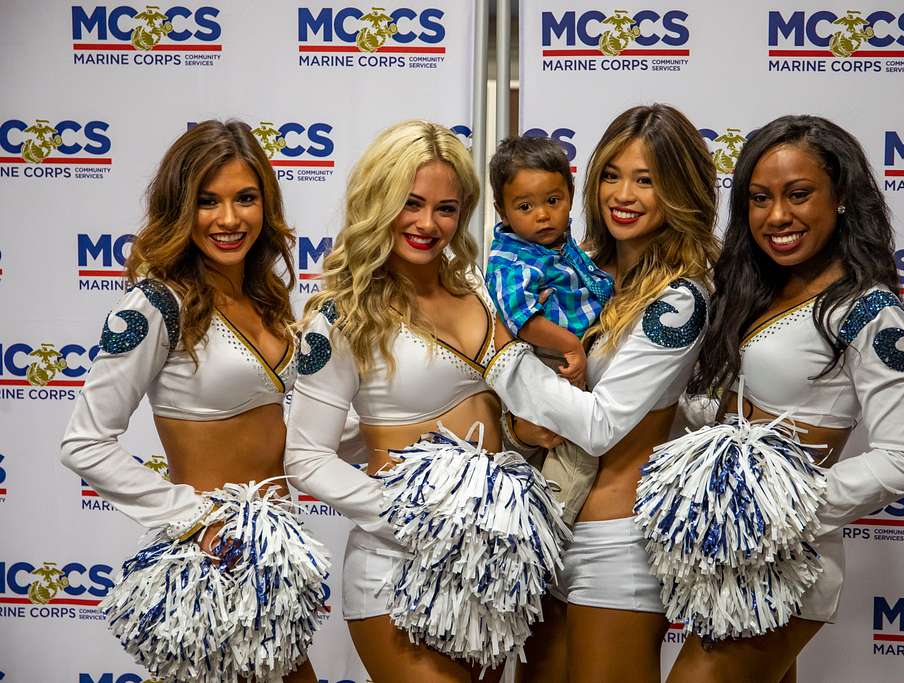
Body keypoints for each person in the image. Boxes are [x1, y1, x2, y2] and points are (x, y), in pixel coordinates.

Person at [284, 120, 564, 682]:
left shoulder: (481, 290)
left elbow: (490, 410)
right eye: (410, 203)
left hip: (489, 567)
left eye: (446, 208)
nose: (427, 224)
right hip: (398, 564)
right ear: (378, 201)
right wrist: (424, 522)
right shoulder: (340, 316)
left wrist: (521, 433)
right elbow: (305, 457)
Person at [673, 114, 904, 682]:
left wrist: (771, 510)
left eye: (799, 195)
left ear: (840, 196)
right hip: (721, 564)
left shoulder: (867, 308)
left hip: (787, 565)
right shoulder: (747, 290)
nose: (777, 216)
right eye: (760, 198)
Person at [60, 120, 324, 682]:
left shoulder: (266, 299)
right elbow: (84, 444)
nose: (229, 220)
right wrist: (199, 521)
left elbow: (294, 433)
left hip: (273, 571)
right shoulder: (155, 305)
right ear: (180, 209)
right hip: (210, 568)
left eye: (245, 199)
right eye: (208, 202)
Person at [485, 103, 719, 682]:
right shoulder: (576, 268)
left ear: (680, 192)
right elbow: (539, 402)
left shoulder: (681, 299)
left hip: (617, 541)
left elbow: (599, 424)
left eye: (647, 180)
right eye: (612, 175)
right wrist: (519, 427)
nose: (624, 194)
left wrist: (500, 358)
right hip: (544, 531)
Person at [485, 135, 613, 387]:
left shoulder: (557, 241)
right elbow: (522, 319)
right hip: (550, 357)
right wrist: (570, 345)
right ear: (502, 211)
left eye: (553, 201)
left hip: (588, 345)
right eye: (525, 207)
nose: (543, 215)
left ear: (571, 194)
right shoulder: (512, 261)